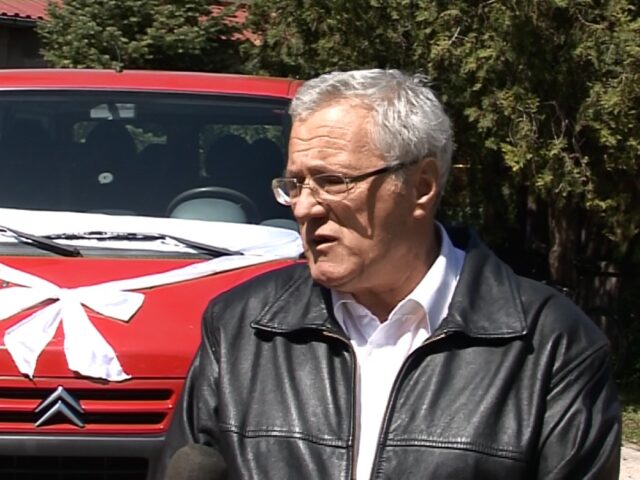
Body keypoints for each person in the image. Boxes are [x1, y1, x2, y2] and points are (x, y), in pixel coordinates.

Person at [159, 69, 621, 479]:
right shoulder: (243, 327)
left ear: (421, 187)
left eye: (333, 181)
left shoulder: (549, 343)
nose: (304, 207)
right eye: (296, 184)